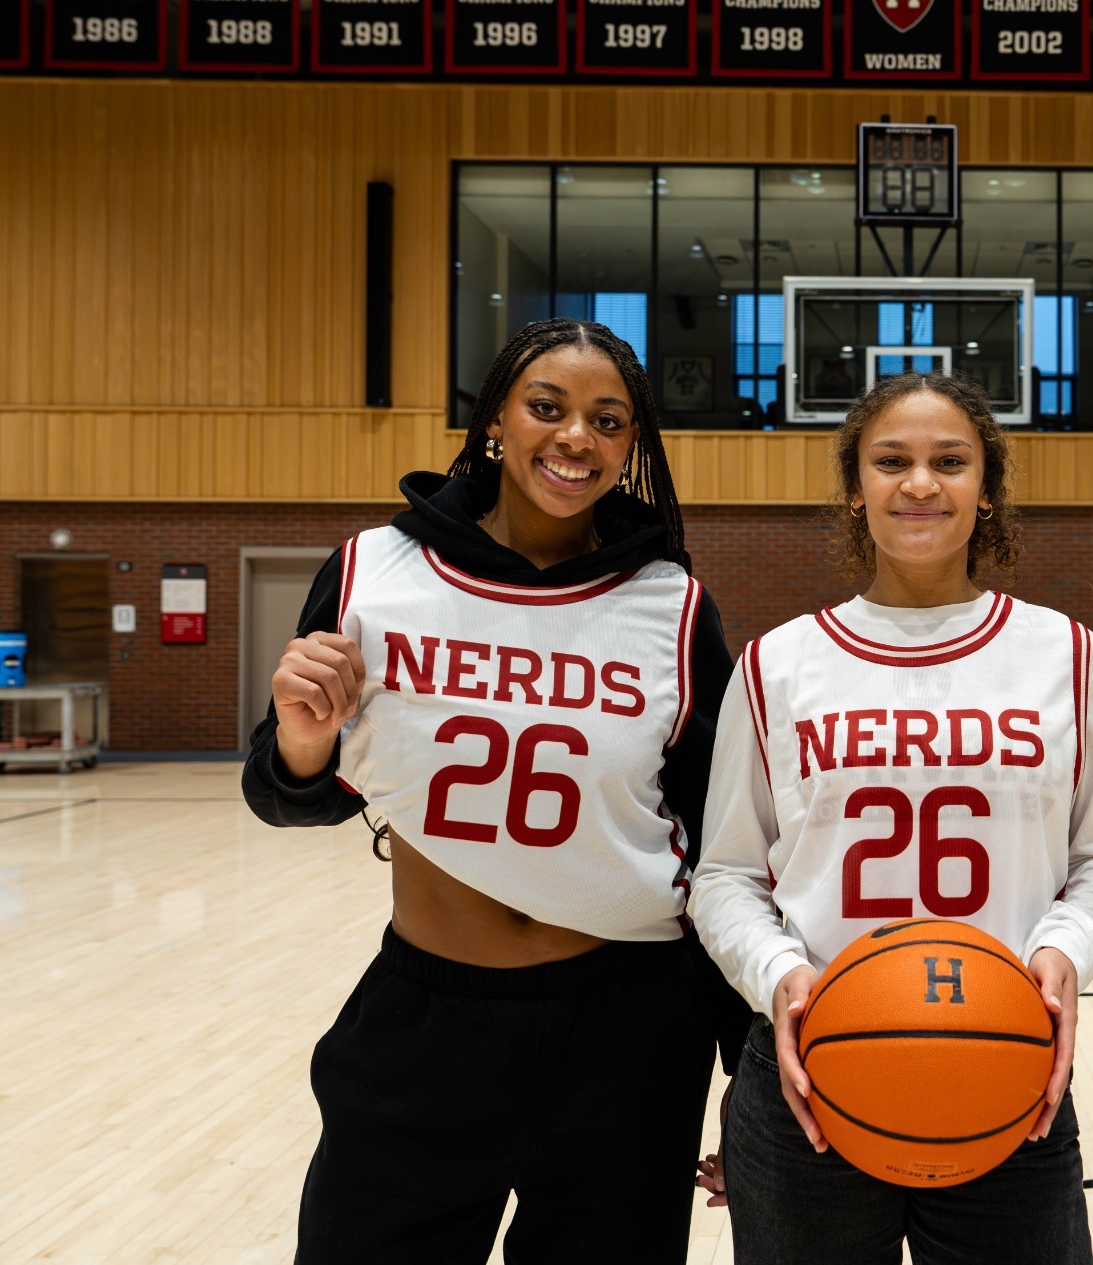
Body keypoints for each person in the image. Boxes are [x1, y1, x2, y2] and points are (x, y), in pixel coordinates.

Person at [241, 318, 750, 1264]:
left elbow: (717, 847)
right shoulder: (375, 572)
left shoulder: (671, 607)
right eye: (546, 408)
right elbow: (285, 791)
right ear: (495, 423)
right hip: (428, 1021)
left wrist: (744, 1072)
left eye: (608, 420)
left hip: (629, 1031)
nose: (575, 438)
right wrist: (306, 743)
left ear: (630, 447)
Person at [688, 373, 1093, 1265]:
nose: (920, 483)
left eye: (950, 461)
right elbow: (726, 877)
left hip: (1007, 1065)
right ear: (856, 488)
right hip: (813, 1075)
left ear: (987, 485)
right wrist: (781, 974)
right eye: (891, 461)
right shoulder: (779, 662)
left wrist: (1064, 949)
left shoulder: (1069, 655)